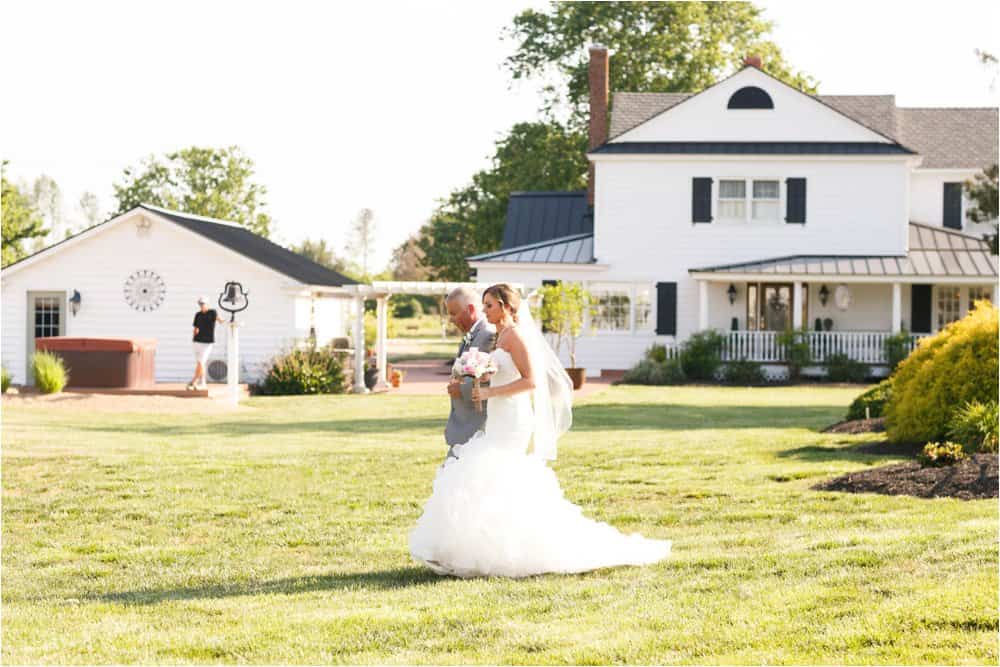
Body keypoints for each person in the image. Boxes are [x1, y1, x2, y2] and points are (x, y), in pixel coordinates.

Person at [409, 283, 671, 578]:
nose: (485, 311)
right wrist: (479, 384)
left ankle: (510, 547)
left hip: (512, 418)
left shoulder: (516, 336)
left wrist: (488, 394)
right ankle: (489, 545)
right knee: (492, 474)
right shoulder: (499, 336)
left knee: (493, 469)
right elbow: (500, 376)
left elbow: (531, 381)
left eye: (490, 306)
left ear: (507, 307)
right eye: (483, 306)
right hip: (499, 413)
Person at [443, 287, 496, 463]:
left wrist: (462, 388)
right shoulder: (472, 335)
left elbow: (491, 378)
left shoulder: (487, 336)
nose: (451, 320)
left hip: (476, 426)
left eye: (454, 313)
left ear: (471, 310)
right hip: (465, 425)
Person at [188, 296, 224, 390]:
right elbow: (195, 329)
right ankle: (198, 382)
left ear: (207, 304)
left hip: (207, 342)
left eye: (203, 303)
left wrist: (226, 321)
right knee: (200, 363)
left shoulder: (212, 312)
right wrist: (193, 339)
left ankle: (196, 381)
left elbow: (220, 320)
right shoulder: (198, 315)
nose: (202, 305)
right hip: (197, 341)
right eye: (200, 304)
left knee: (202, 362)